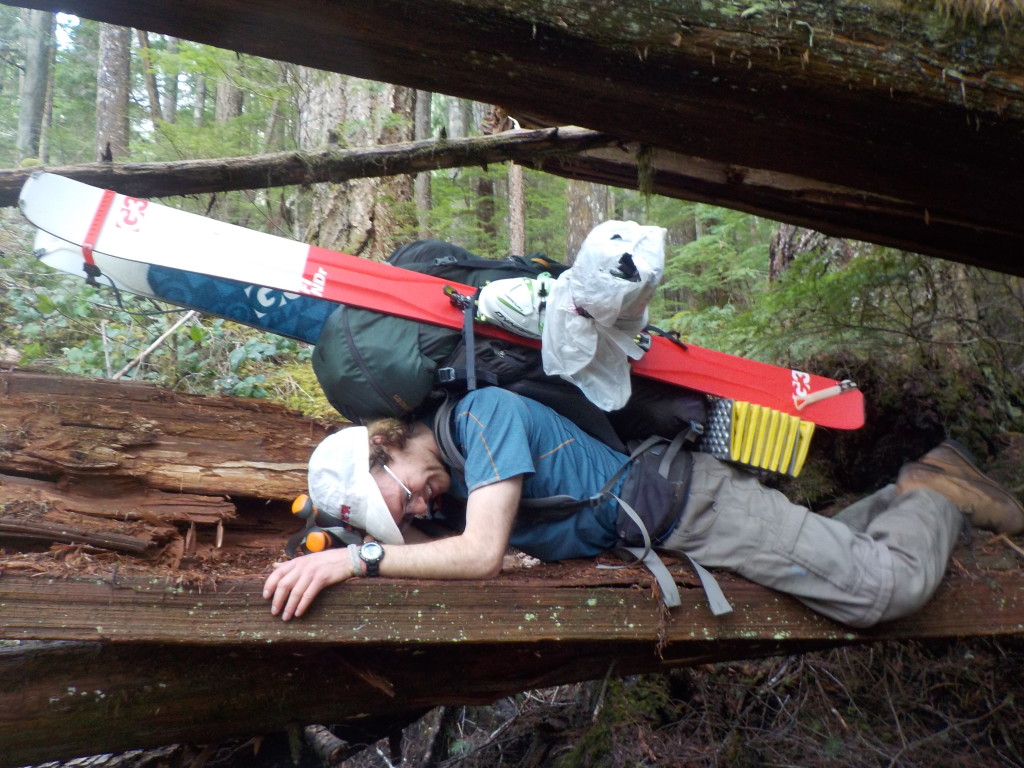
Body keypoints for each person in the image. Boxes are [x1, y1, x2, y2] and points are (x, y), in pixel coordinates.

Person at [263, 387, 1024, 627]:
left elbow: (480, 554)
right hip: (675, 528)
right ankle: (909, 498)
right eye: (401, 520)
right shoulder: (458, 475)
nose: (418, 510)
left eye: (399, 497)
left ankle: (933, 483)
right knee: (836, 557)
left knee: (881, 591)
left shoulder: (483, 416)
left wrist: (360, 560)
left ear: (385, 445)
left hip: (693, 505)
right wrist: (338, 542)